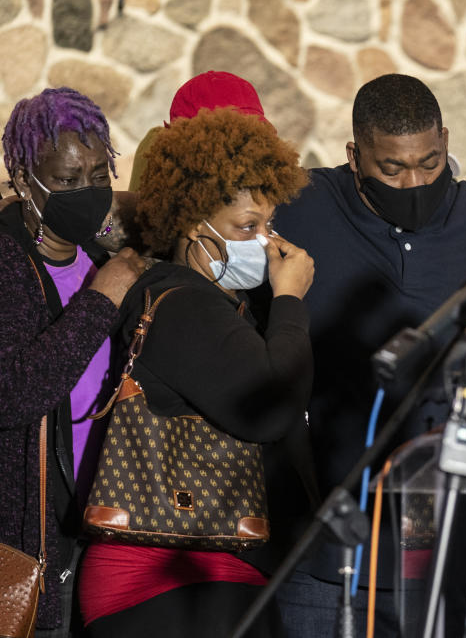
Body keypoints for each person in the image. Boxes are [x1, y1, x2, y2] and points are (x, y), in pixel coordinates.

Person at [270, 73, 466, 637]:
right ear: (354, 155)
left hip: (449, 556)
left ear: (445, 139)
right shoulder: (299, 208)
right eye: (391, 169)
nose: (414, 181)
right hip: (322, 552)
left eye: (430, 162)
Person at [76, 107, 313, 637]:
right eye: (247, 227)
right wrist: (291, 297)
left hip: (200, 571)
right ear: (191, 225)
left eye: (268, 224)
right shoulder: (185, 304)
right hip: (162, 580)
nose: (266, 243)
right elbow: (270, 408)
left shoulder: (209, 300)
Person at [0, 87, 145, 637]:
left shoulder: (102, 258)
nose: (85, 192)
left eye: (97, 175)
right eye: (65, 179)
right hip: (32, 542)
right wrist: (101, 301)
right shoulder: (8, 265)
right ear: (22, 180)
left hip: (103, 533)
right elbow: (12, 394)